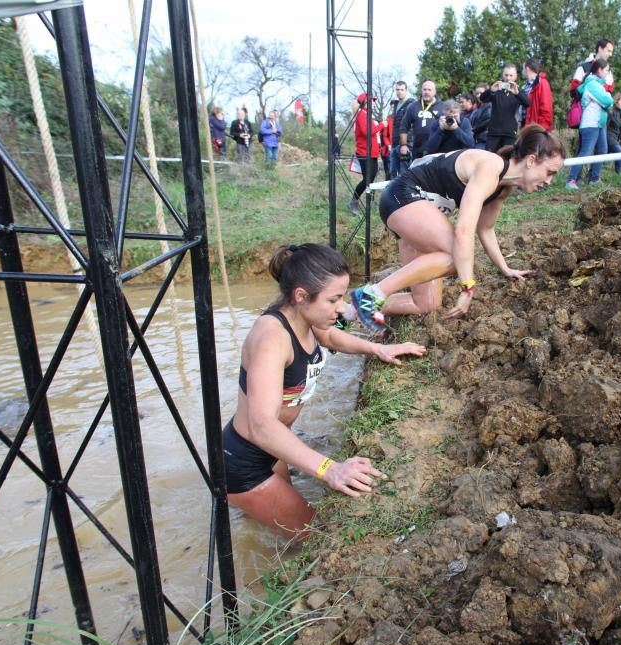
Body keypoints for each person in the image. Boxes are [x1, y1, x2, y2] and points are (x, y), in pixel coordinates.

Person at [225, 243, 425, 541]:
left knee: (282, 530)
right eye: (333, 299)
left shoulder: (306, 317)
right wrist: (329, 469)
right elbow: (261, 425)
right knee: (314, 538)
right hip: (246, 461)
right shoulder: (271, 339)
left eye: (342, 297)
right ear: (301, 295)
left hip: (275, 448)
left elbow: (331, 336)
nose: (342, 307)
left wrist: (379, 349)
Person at [347, 125, 566, 334]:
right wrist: (467, 286)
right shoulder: (491, 166)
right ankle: (371, 295)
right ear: (531, 160)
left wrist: (505, 268)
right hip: (401, 197)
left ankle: (346, 312)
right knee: (456, 256)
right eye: (549, 172)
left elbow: (486, 230)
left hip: (419, 216)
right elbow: (464, 231)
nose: (549, 181)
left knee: (425, 303)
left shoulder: (502, 188)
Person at [565, 59, 613, 190]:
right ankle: (571, 180)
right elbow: (607, 101)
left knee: (602, 150)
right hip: (590, 123)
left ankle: (594, 179)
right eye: (607, 70)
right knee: (585, 152)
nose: (609, 73)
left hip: (599, 123)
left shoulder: (598, 84)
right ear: (599, 70)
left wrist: (607, 96)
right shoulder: (592, 84)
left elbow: (605, 101)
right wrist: (608, 95)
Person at [348, 92, 386, 215]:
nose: (374, 103)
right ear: (365, 102)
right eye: (372, 101)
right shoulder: (361, 115)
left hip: (372, 153)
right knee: (368, 179)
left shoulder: (366, 115)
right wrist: (382, 125)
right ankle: (353, 201)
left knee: (372, 179)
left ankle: (371, 202)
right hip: (364, 153)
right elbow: (367, 132)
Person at [480, 65, 530, 153]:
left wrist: (517, 93)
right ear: (502, 75)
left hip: (510, 133)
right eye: (506, 75)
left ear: (516, 76)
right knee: (489, 159)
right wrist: (491, 90)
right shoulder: (496, 89)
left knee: (507, 160)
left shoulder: (517, 91)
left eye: (511, 75)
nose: (508, 78)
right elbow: (482, 98)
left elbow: (528, 103)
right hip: (493, 133)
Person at [399, 80, 441, 161]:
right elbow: (404, 126)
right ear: (421, 91)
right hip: (418, 151)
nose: (426, 92)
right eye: (424, 90)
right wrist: (404, 145)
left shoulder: (442, 106)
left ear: (435, 91)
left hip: (437, 151)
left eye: (429, 90)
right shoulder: (413, 106)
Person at [389, 81, 416, 179]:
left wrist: (406, 144)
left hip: (405, 145)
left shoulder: (411, 104)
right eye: (397, 90)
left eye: (402, 90)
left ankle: (404, 194)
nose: (399, 92)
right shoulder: (396, 104)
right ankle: (394, 194)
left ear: (406, 91)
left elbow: (410, 126)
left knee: (404, 174)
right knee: (393, 172)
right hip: (394, 144)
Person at [523, 58, 554, 130]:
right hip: (526, 127)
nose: (522, 71)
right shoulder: (525, 87)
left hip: (536, 129)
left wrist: (542, 129)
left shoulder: (542, 83)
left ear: (527, 69)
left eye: (523, 69)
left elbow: (546, 109)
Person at [470, 85, 492, 149]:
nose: (479, 95)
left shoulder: (490, 106)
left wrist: (471, 131)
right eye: (477, 93)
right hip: (476, 140)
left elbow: (485, 123)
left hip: (484, 140)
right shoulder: (477, 109)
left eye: (482, 93)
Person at [381, 100, 395, 177]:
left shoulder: (404, 117)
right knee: (389, 172)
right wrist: (388, 145)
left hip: (401, 148)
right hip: (389, 150)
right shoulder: (388, 119)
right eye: (392, 107)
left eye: (394, 107)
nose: (393, 109)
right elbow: (385, 135)